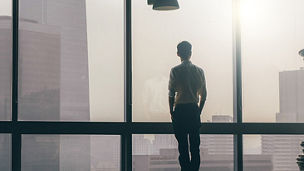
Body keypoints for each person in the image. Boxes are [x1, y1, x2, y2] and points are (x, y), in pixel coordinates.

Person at [168, 41, 207, 171]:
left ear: (178, 53)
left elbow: (171, 94)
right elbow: (204, 95)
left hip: (180, 111)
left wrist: (171, 111)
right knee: (195, 147)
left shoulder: (175, 71)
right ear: (191, 53)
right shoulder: (199, 71)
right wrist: (198, 111)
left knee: (183, 148)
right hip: (193, 110)